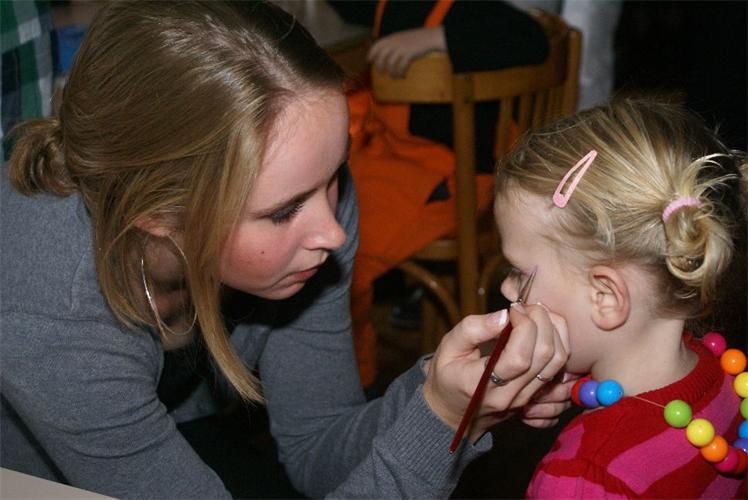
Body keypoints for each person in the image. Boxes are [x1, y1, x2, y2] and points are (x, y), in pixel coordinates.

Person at [1, 2, 572, 498]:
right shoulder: (49, 311)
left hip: (171, 428)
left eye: (335, 176)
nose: (333, 233)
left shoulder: (310, 195)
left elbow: (318, 449)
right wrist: (440, 422)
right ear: (158, 213)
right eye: (282, 212)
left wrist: (441, 401)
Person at [491, 97, 747, 497]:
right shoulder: (725, 378)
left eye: (520, 273)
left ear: (606, 297)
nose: (507, 289)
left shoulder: (582, 478)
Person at [329, 0, 550, 389]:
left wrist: (437, 38)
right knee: (321, 200)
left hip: (454, 176)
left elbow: (531, 38)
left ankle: (348, 384)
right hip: (387, 157)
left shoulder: (469, 10)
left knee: (344, 253)